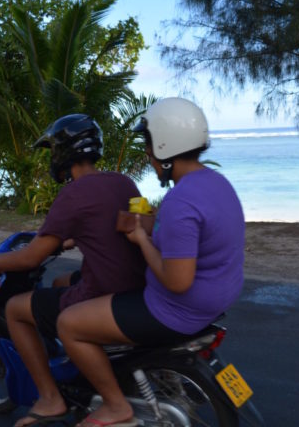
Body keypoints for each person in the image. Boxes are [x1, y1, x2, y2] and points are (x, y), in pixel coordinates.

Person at [56, 98, 246, 427]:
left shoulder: (181, 200)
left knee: (69, 324)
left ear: (163, 144)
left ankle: (115, 406)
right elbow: (191, 235)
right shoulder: (216, 183)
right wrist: (150, 225)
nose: (147, 154)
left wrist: (142, 240)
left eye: (147, 144)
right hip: (215, 301)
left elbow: (177, 281)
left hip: (174, 311)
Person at [0, 113, 146, 427]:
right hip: (134, 282)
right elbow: (116, 224)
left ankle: (51, 398)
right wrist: (68, 240)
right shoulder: (123, 182)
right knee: (59, 281)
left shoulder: (71, 195)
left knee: (15, 308)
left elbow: (30, 258)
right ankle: (80, 363)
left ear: (61, 154)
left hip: (105, 289)